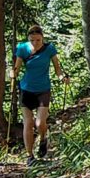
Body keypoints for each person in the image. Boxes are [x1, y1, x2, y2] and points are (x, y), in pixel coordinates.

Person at [13, 24, 60, 162]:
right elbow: (17, 67)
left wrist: (62, 77)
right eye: (32, 40)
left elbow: (57, 68)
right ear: (28, 39)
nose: (35, 43)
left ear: (42, 38)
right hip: (26, 89)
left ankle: (43, 139)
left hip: (43, 89)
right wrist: (13, 73)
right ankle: (29, 156)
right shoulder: (22, 48)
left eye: (38, 40)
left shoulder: (49, 49)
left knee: (40, 123)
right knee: (28, 123)